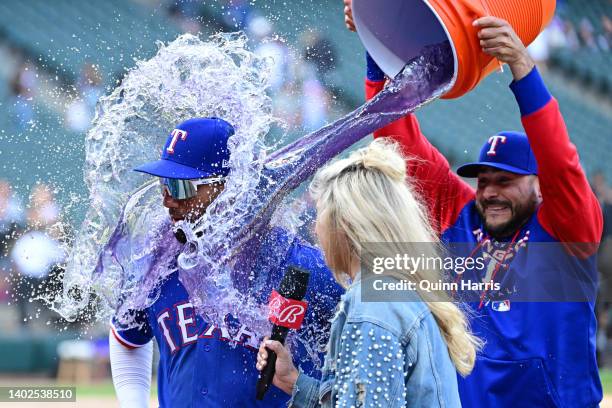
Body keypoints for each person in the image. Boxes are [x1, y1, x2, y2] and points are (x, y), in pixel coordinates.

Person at [344, 3, 603, 406]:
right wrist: (376, 50)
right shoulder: (459, 217)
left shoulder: (566, 234)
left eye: (506, 180)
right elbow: (398, 143)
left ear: (539, 187)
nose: (490, 192)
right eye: (483, 181)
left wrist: (522, 68)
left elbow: (560, 160)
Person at [109, 117, 342, 407]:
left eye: (181, 187)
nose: (168, 200)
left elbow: (385, 345)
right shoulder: (157, 265)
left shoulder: (303, 265)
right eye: (164, 184)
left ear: (230, 189)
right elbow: (126, 337)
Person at [256, 139, 480, 407]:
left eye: (320, 216)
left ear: (346, 224)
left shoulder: (373, 307)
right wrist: (294, 381)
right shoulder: (391, 292)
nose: (316, 230)